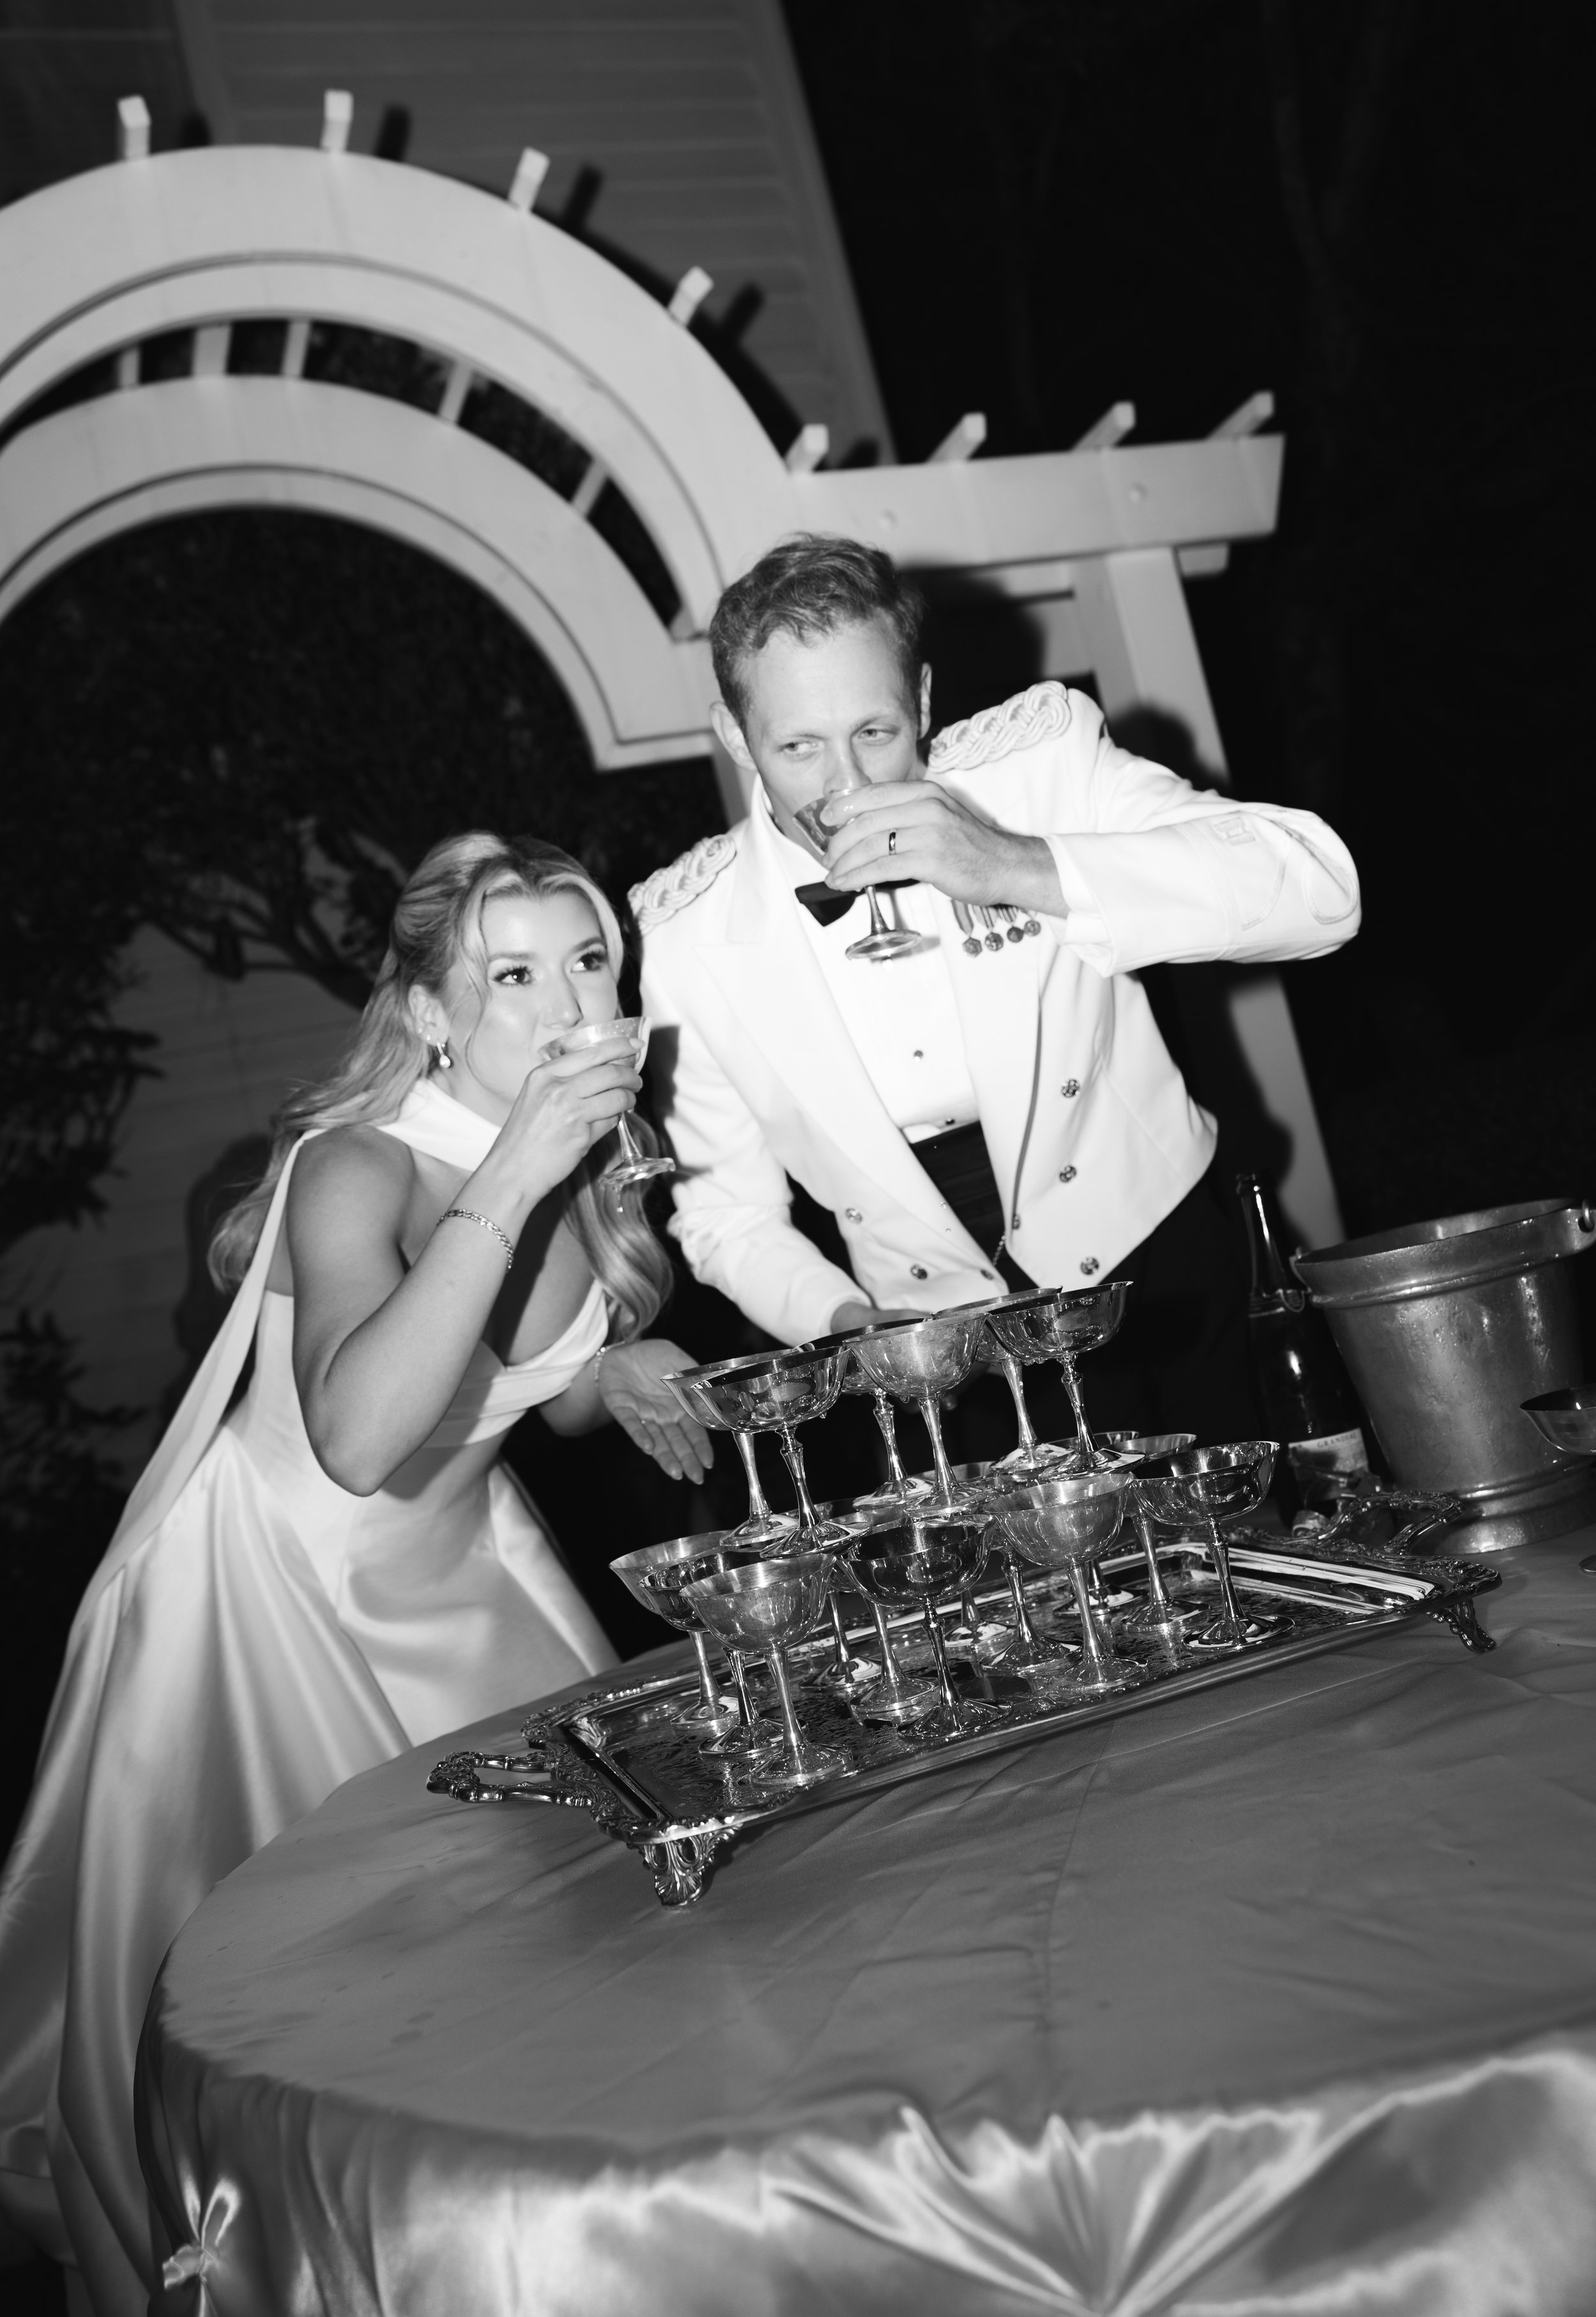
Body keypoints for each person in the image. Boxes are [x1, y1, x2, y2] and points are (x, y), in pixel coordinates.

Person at [0, 831, 712, 2317]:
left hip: (472, 1580)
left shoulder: (580, 1163)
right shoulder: (360, 1169)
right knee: (345, 2019)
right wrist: (512, 1180)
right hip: (280, 1600)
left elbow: (527, 1385)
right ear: (437, 1014)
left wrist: (618, 1368)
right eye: (511, 974)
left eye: (589, 961)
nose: (567, 1003)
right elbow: (360, 1438)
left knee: (582, 1953)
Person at [634, 535, 1360, 1444]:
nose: (846, 788)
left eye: (876, 732)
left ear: (925, 700)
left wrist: (1018, 865)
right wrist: (855, 1330)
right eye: (797, 747)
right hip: (950, 1367)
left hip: (1167, 1280)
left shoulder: (1040, 770)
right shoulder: (683, 938)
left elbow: (1321, 891)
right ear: (736, 737)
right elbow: (725, 1215)